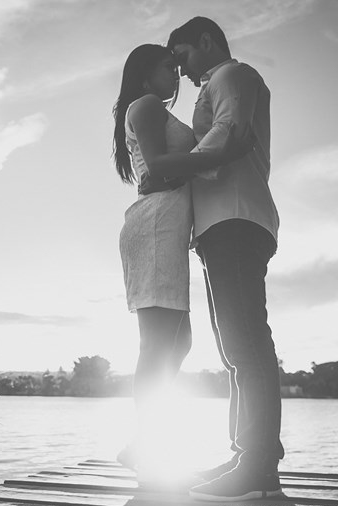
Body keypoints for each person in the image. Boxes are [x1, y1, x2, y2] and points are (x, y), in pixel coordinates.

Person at [111, 44, 253, 474]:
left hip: (168, 229)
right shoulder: (147, 103)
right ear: (145, 72)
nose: (175, 76)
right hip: (155, 225)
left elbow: (166, 167)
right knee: (156, 344)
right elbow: (154, 166)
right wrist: (218, 155)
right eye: (167, 68)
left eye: (177, 69)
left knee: (179, 341)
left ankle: (144, 438)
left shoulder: (150, 107)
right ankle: (144, 443)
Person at [166, 16, 284, 501]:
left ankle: (258, 465)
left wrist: (167, 167)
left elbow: (230, 134)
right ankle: (245, 455)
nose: (182, 71)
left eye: (184, 57)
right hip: (221, 227)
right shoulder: (215, 82)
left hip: (237, 220)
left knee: (247, 345)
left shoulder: (232, 76)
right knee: (236, 350)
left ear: (207, 42)